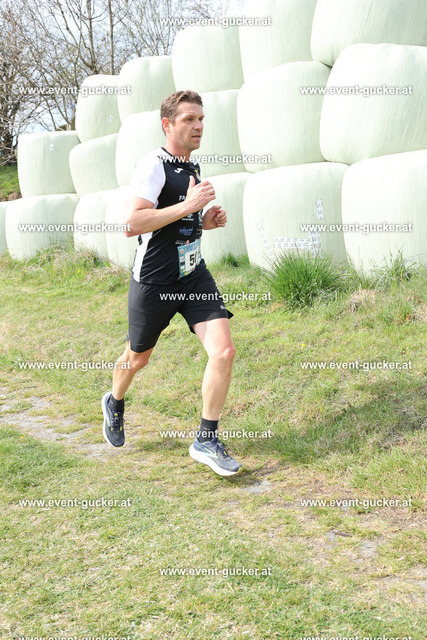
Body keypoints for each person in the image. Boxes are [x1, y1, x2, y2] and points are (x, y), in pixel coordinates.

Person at [101, 89, 242, 476]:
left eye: (201, 119)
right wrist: (189, 206)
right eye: (189, 119)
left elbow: (176, 221)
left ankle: (206, 439)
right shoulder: (154, 165)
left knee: (224, 351)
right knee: (137, 358)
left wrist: (203, 221)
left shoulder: (191, 167)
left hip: (193, 276)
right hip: (155, 282)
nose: (198, 126)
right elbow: (132, 223)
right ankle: (114, 401)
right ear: (167, 124)